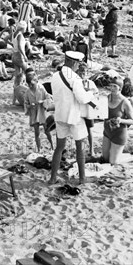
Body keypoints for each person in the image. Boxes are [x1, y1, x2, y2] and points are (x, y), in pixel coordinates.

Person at [48, 51, 96, 185]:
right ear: (74, 63)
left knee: (59, 147)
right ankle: (82, 178)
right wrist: (91, 94)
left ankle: (53, 178)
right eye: (78, 64)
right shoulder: (75, 79)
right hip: (74, 117)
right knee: (80, 146)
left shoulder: (55, 76)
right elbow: (82, 98)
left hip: (60, 115)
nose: (78, 67)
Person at [102, 76, 133, 165]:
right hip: (107, 131)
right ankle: (117, 154)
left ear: (120, 88)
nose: (112, 88)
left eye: (115, 86)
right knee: (104, 159)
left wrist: (121, 120)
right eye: (111, 86)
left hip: (119, 134)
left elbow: (132, 121)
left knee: (113, 162)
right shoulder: (106, 98)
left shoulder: (125, 102)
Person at [24, 74, 54, 152]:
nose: (30, 86)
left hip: (41, 111)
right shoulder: (27, 91)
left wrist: (43, 102)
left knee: (47, 130)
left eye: (32, 84)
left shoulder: (41, 88)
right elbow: (25, 102)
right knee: (36, 132)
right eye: (29, 84)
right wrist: (29, 106)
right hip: (33, 112)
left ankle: (52, 146)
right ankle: (39, 149)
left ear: (37, 82)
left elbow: (48, 97)